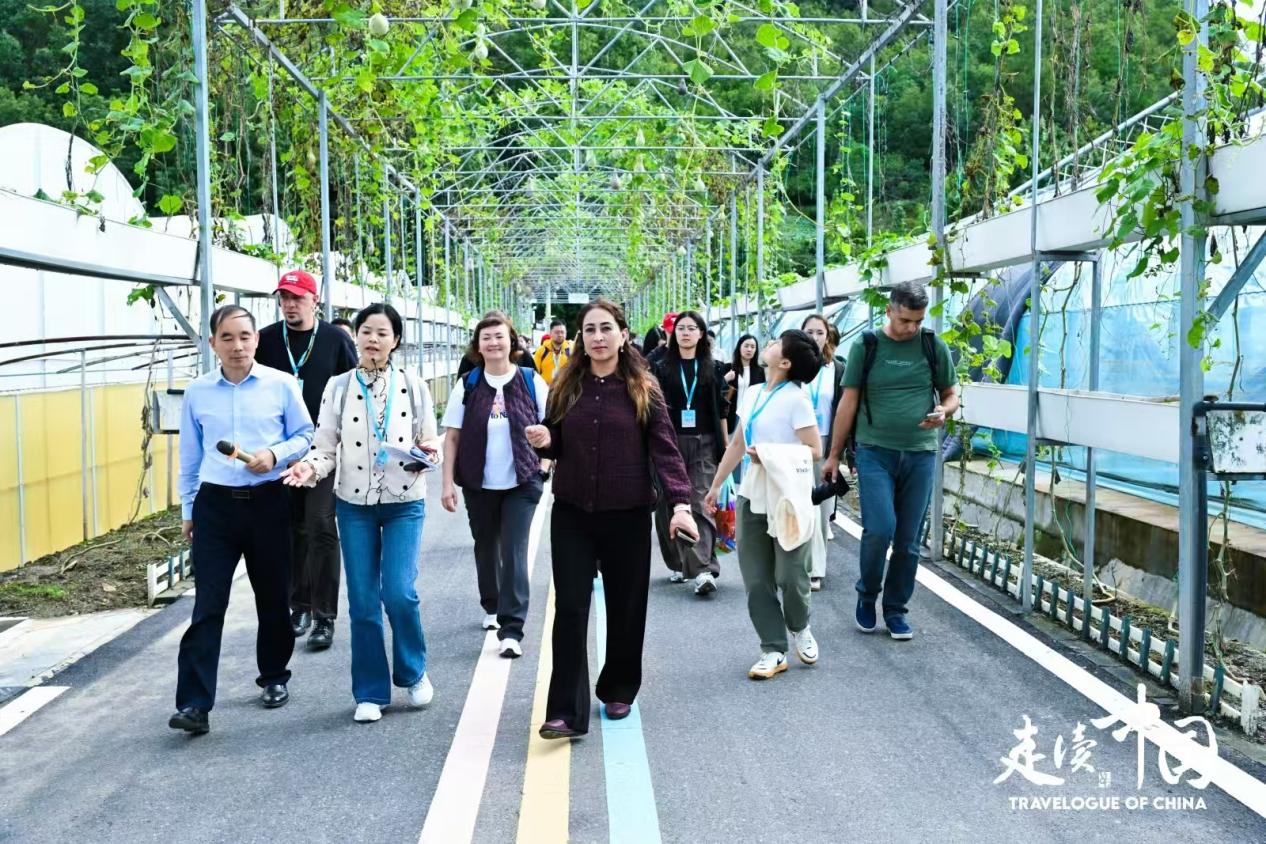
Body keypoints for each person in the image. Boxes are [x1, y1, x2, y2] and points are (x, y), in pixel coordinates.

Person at [525, 299, 696, 739]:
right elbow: (555, 438)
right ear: (581, 338)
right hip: (573, 512)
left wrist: (680, 504)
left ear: (623, 335)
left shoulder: (643, 387)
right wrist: (545, 439)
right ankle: (565, 711)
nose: (598, 337)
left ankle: (619, 686)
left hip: (628, 514)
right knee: (570, 608)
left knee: (625, 605)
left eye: (606, 328)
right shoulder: (567, 384)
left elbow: (665, 450)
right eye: (590, 330)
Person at [280, 303, 442, 723]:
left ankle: (413, 671)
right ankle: (370, 691)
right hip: (354, 505)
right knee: (364, 601)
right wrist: (309, 467)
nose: (373, 339)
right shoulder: (338, 387)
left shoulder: (414, 385)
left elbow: (431, 442)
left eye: (382, 333)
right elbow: (324, 446)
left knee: (400, 593)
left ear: (396, 340)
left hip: (404, 501)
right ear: (356, 336)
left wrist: (426, 455)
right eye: (366, 331)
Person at [169, 305, 314, 735]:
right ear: (212, 342)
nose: (238, 346)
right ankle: (194, 704)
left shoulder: (281, 385)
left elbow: (305, 435)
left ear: (256, 340)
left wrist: (274, 455)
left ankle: (274, 676)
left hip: (268, 501)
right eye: (228, 338)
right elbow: (190, 456)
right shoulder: (197, 392)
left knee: (272, 597)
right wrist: (189, 510)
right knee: (208, 604)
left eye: (245, 336)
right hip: (215, 507)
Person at [821, 281, 959, 641]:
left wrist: (944, 411)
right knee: (879, 529)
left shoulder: (932, 345)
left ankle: (896, 609)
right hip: (875, 452)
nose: (911, 327)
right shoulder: (867, 346)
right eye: (904, 320)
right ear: (889, 311)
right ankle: (867, 594)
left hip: (921, 453)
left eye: (917, 321)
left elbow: (951, 394)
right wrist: (834, 455)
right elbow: (848, 403)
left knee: (908, 539)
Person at [705, 330, 823, 680]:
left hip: (789, 496)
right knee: (756, 579)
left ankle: (800, 625)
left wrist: (769, 454)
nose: (767, 344)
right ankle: (773, 648)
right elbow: (738, 442)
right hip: (753, 493)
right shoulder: (755, 393)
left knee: (790, 575)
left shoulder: (797, 400)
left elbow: (814, 450)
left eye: (776, 344)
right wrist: (716, 485)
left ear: (784, 362)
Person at [255, 269, 358, 650]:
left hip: (323, 450)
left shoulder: (335, 340)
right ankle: (299, 604)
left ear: (314, 300)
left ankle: (324, 616)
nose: (290, 305)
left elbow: (353, 390)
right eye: (284, 298)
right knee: (291, 528)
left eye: (297, 298)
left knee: (320, 525)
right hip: (279, 451)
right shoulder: (266, 340)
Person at [441, 314, 549, 658]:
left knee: (514, 551)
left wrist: (544, 467)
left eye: (499, 336)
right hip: (479, 483)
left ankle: (512, 629)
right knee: (486, 547)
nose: (493, 343)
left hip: (523, 481)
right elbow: (452, 437)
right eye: (486, 337)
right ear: (478, 345)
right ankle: (492, 603)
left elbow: (552, 427)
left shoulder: (531, 380)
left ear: (511, 341)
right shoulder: (468, 384)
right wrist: (447, 484)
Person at [649, 311, 729, 596]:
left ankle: (704, 568)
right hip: (668, 443)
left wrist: (725, 446)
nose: (685, 333)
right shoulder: (660, 367)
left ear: (701, 334)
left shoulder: (713, 368)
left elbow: (722, 410)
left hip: (704, 442)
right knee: (668, 504)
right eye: (680, 328)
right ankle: (679, 561)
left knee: (700, 501)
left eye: (691, 328)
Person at [801, 313, 847, 592]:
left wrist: (841, 452)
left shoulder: (838, 369)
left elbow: (847, 410)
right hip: (797, 444)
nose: (815, 337)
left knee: (821, 509)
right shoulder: (792, 365)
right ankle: (798, 565)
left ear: (827, 336)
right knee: (799, 505)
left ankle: (815, 568)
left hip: (827, 443)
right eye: (809, 332)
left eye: (820, 332)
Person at [724, 333, 764, 443]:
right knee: (731, 444)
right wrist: (725, 379)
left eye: (753, 347)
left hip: (750, 415)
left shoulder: (760, 371)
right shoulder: (728, 368)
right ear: (739, 347)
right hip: (732, 414)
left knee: (748, 445)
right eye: (746, 346)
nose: (749, 349)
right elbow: (716, 388)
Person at [532, 318, 573, 384]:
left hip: (565, 388)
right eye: (557, 332)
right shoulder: (541, 351)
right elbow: (535, 373)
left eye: (562, 332)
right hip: (545, 388)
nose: (560, 335)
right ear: (550, 333)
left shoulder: (570, 350)